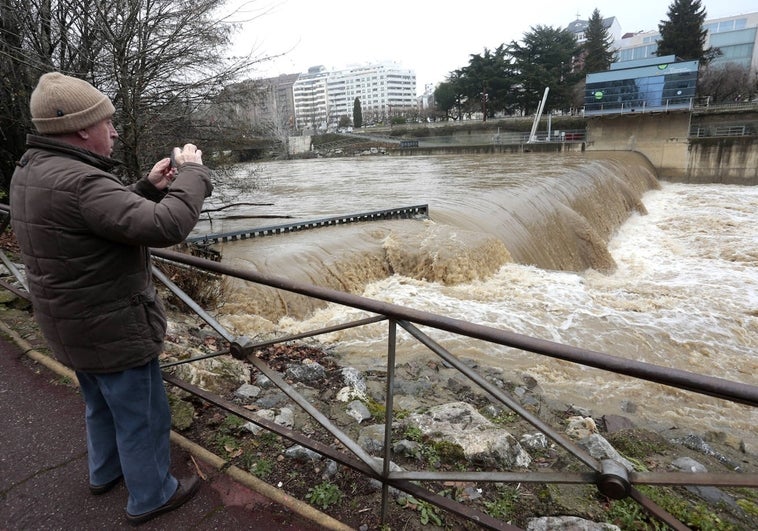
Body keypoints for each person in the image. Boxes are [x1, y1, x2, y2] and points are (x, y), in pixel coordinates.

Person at [9, 72, 213, 525]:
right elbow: (165, 228)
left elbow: (91, 222)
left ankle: (106, 472)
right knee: (142, 414)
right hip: (110, 324)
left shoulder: (32, 168)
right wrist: (194, 174)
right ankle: (151, 495)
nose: (115, 130)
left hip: (68, 321)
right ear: (82, 128)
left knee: (100, 403)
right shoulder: (82, 181)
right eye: (108, 122)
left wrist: (144, 189)